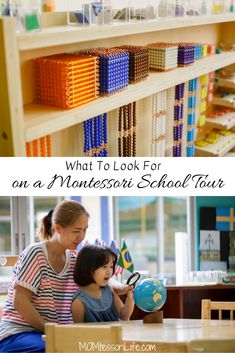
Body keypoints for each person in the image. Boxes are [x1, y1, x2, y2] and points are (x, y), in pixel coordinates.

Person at [0, 200, 130, 353]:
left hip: (56, 334)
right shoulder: (35, 253)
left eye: (84, 230)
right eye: (76, 231)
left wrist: (120, 287)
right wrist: (54, 332)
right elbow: (20, 301)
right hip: (19, 333)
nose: (81, 236)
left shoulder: (75, 258)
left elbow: (98, 274)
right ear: (58, 228)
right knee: (66, 348)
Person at [71, 245, 134, 323]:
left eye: (111, 266)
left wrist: (130, 298)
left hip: (114, 335)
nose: (109, 271)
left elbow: (124, 315)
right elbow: (78, 333)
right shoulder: (78, 302)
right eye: (104, 267)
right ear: (88, 268)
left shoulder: (109, 290)